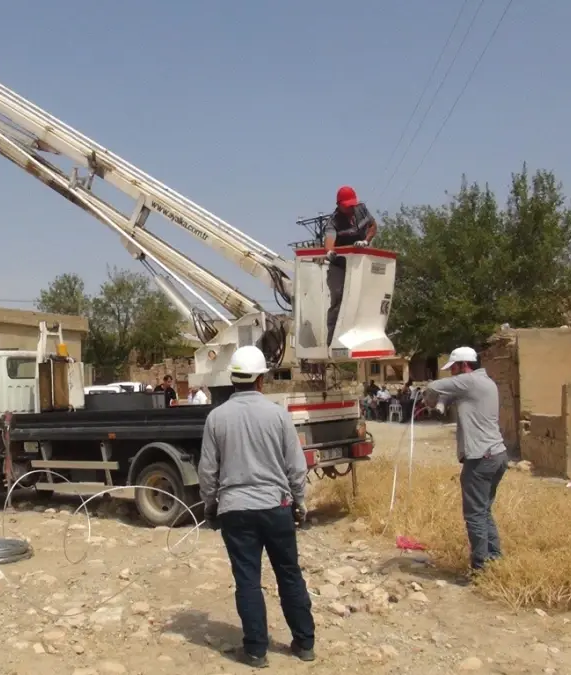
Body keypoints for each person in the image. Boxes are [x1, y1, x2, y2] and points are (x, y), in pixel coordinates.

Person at [198, 345, 315, 668]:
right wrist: (299, 501)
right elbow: (295, 465)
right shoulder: (277, 414)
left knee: (248, 580)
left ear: (233, 379)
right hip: (276, 507)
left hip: (235, 510)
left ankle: (255, 651)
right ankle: (304, 644)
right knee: (289, 575)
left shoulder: (216, 418)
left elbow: (208, 471)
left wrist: (210, 506)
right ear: (261, 380)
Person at [423, 346, 508, 573]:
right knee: (484, 511)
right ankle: (495, 559)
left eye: (454, 368)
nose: (453, 373)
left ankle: (480, 567)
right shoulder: (484, 382)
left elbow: (433, 386)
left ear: (464, 365)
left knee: (474, 515)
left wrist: (430, 399)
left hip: (481, 457)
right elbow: (450, 396)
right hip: (497, 454)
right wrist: (441, 403)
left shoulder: (469, 381)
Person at [323, 186, 377, 341]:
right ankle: (332, 340)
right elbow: (329, 240)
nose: (350, 208)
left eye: (352, 204)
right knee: (338, 297)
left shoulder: (361, 210)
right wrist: (329, 251)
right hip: (339, 265)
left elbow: (373, 226)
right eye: (347, 206)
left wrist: (366, 241)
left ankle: (363, 335)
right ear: (339, 205)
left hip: (359, 263)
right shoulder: (333, 222)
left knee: (363, 297)